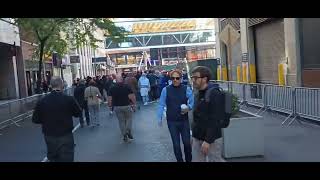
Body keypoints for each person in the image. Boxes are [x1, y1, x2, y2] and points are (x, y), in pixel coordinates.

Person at [32, 76, 82, 162]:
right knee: (67, 157)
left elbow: (35, 119)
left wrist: (46, 120)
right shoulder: (69, 99)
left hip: (49, 135)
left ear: (50, 86)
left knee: (53, 158)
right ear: (62, 85)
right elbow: (78, 113)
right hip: (65, 134)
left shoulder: (42, 101)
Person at [157, 70, 194, 162]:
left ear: (181, 79)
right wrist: (159, 117)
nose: (175, 80)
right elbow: (161, 104)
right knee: (176, 145)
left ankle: (189, 160)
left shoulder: (186, 89)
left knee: (187, 144)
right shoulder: (166, 90)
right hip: (172, 121)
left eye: (177, 78)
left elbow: (193, 101)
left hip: (184, 121)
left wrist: (188, 107)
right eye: (173, 78)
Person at [190, 66, 226, 162]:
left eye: (196, 78)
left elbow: (215, 119)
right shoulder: (198, 93)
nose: (193, 80)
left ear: (205, 79)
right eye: (192, 78)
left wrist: (208, 141)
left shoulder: (214, 94)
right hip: (198, 137)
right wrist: (194, 136)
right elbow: (197, 117)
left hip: (212, 139)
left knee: (215, 160)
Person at [108, 75, 136, 142]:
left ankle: (124, 135)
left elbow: (109, 99)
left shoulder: (112, 88)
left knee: (121, 121)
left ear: (116, 80)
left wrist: (110, 106)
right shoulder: (127, 87)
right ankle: (128, 129)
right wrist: (134, 104)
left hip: (117, 107)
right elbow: (132, 96)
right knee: (129, 118)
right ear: (122, 80)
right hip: (126, 105)